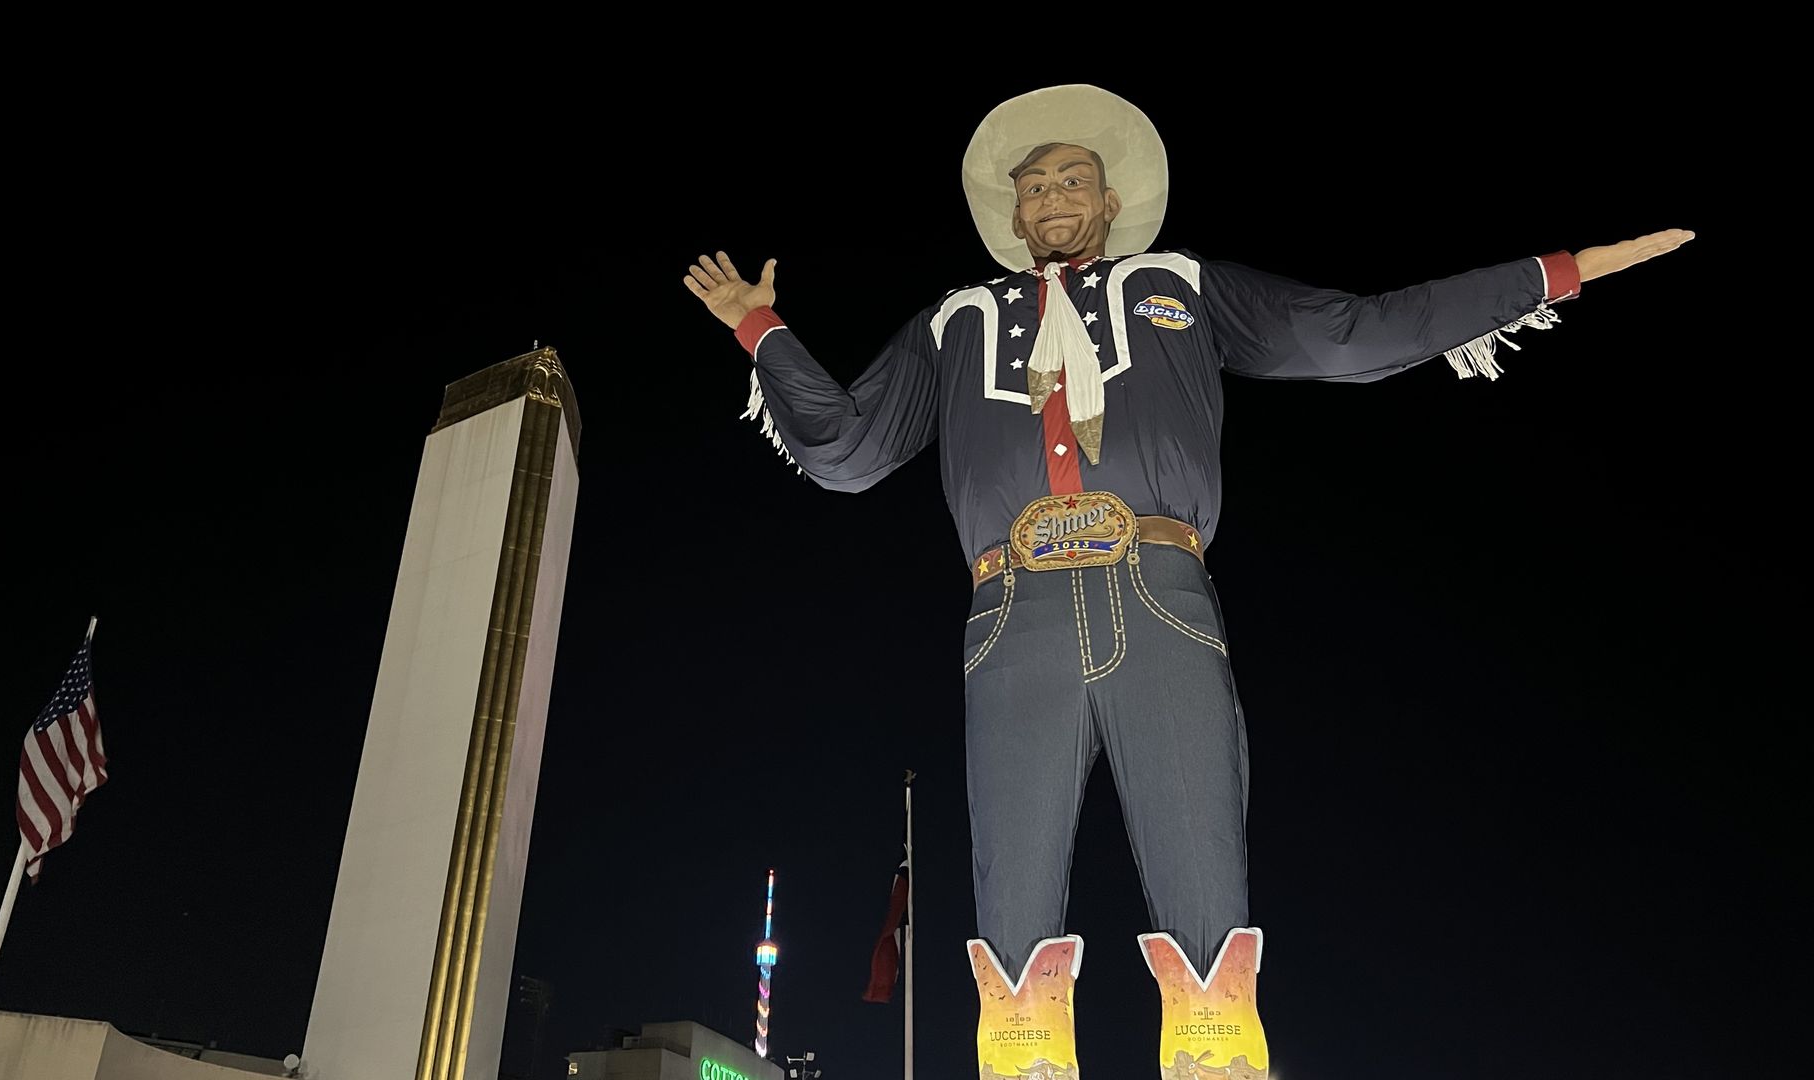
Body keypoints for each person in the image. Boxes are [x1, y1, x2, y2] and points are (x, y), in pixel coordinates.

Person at [681, 84, 1690, 1080]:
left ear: (1111, 199)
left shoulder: (1181, 283)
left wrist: (1554, 273)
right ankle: (1025, 1062)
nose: (1053, 198)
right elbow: (849, 451)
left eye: (1073, 179)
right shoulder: (956, 319)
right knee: (1013, 909)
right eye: (1033, 187)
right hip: (1010, 609)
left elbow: (1348, 332)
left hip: (1157, 584)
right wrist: (762, 330)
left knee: (1201, 870)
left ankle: (1216, 1060)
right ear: (1013, 214)